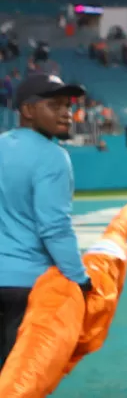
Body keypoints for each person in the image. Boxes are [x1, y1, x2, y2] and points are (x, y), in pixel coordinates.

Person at [0, 74, 92, 369]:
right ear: (27, 110)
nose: (66, 112)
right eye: (55, 105)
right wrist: (80, 279)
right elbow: (54, 227)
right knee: (18, 379)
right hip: (26, 287)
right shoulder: (53, 157)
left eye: (67, 105)